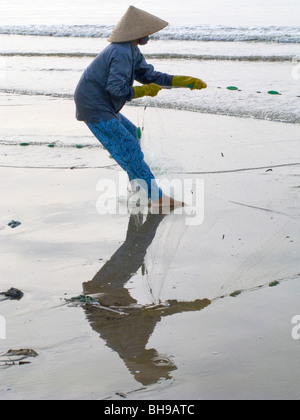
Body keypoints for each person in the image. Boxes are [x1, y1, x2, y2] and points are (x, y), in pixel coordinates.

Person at [74, 5, 207, 210]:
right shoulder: (121, 52)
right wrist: (143, 91)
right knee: (130, 148)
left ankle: (139, 189)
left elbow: (149, 76)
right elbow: (116, 88)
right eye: (147, 33)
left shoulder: (131, 50)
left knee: (131, 135)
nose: (149, 36)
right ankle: (157, 199)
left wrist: (183, 81)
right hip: (94, 106)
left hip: (103, 106)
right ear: (137, 32)